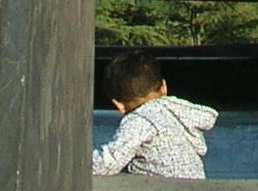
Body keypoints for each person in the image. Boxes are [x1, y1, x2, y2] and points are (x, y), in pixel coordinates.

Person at [93, 50, 218, 179]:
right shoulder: (178, 112)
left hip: (165, 185)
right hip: (197, 183)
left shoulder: (140, 119)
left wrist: (83, 161)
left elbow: (111, 161)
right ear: (164, 87)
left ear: (119, 105)